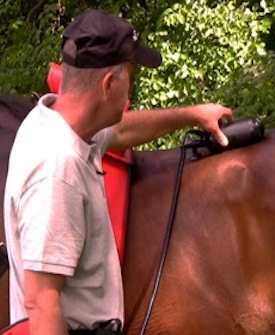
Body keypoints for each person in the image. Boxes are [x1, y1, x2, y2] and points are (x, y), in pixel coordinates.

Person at [4, 8, 233, 335]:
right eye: (131, 79)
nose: (131, 92)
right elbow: (41, 302)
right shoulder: (56, 170)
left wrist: (193, 115)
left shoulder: (60, 121)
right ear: (110, 84)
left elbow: (121, 132)